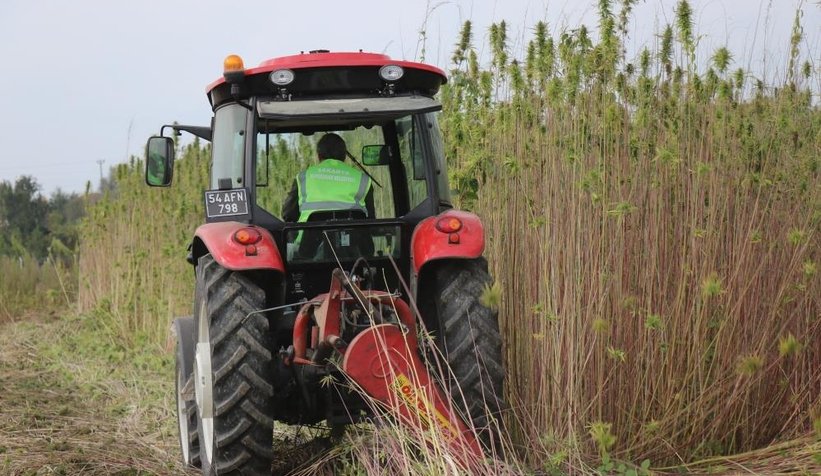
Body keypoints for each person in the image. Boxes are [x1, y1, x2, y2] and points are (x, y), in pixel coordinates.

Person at [282, 133, 375, 222]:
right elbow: (371, 221)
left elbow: (288, 215)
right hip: (356, 238)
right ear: (344, 157)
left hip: (310, 238)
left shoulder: (303, 177)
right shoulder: (363, 180)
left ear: (319, 156)